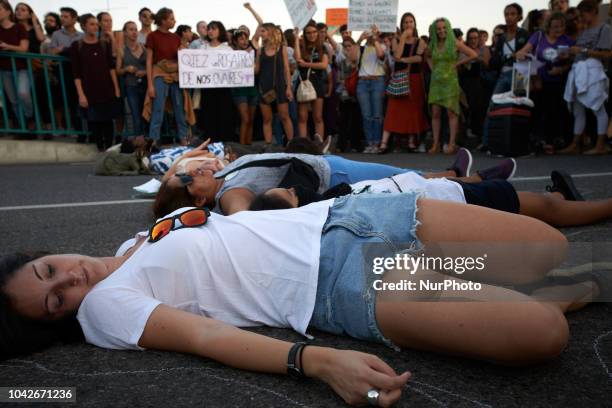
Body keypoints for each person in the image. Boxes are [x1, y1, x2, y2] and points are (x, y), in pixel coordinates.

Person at [2, 191, 609, 406]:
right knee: (540, 335)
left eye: (49, 270)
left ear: (46, 252)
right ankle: (535, 296)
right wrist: (312, 361)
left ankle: (517, 286)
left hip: (346, 216)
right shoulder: (106, 309)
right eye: (57, 301)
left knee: (547, 246)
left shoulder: (134, 239)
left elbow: (224, 224)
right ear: (64, 320)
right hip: (343, 283)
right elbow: (206, 337)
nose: (69, 280)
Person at [152, 147, 517, 217]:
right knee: (398, 179)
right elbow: (243, 216)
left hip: (325, 163)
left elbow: (172, 175)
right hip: (330, 175)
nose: (190, 171)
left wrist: (177, 175)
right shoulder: (230, 195)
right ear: (197, 201)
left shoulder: (220, 175)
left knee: (398, 174)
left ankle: (457, 176)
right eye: (186, 179)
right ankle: (474, 180)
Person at [516, 12, 574, 154]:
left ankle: (554, 141)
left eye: (561, 26)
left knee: (557, 111)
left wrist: (561, 68)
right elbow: (523, 51)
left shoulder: (567, 40)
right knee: (538, 111)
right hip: (539, 81)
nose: (558, 30)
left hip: (559, 81)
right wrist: (521, 54)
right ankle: (539, 141)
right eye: (555, 27)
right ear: (548, 26)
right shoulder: (538, 36)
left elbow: (573, 61)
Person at [561, 0, 612, 155]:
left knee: (598, 107)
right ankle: (575, 143)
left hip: (593, 71)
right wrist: (568, 53)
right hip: (577, 71)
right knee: (578, 109)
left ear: (593, 12)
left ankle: (600, 145)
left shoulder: (605, 28)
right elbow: (578, 52)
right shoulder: (582, 31)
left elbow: (607, 53)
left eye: (583, 14)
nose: (581, 18)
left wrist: (581, 50)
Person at [426, 18, 478, 155]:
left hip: (450, 81)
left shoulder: (454, 43)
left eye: (444, 28)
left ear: (448, 28)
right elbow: (427, 56)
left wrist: (457, 64)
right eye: (438, 29)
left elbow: (473, 54)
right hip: (436, 82)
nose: (441, 30)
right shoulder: (433, 44)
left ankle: (451, 144)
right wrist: (433, 68)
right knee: (435, 113)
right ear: (435, 31)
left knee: (451, 113)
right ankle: (436, 144)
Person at [70, 14, 121, 151]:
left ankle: (110, 149)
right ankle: (100, 149)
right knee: (95, 122)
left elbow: (111, 68)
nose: (95, 26)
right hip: (89, 90)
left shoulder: (104, 44)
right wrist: (81, 94)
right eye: (91, 24)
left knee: (108, 121)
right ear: (83, 26)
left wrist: (116, 88)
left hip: (107, 88)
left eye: (96, 24)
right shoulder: (77, 46)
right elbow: (76, 73)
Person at [380, 13, 429, 153]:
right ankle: (384, 143)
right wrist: (402, 38)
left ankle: (411, 142)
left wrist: (404, 60)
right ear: (402, 25)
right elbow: (396, 55)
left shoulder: (420, 41)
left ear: (415, 24)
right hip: (398, 79)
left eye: (411, 22)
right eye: (406, 22)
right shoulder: (396, 39)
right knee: (393, 110)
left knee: (413, 110)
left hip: (414, 79)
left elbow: (418, 59)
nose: (408, 25)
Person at [145, 7, 190, 146]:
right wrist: (150, 85)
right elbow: (149, 61)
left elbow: (182, 58)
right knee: (158, 108)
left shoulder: (176, 38)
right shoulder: (152, 36)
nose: (174, 21)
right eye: (171, 18)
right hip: (159, 75)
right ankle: (154, 139)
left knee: (179, 107)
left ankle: (183, 137)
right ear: (163, 21)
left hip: (175, 76)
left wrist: (184, 51)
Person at [255, 23, 294, 144]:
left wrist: (288, 88)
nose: (261, 34)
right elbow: (257, 70)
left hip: (280, 86)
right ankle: (268, 147)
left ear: (270, 32)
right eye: (260, 31)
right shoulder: (260, 50)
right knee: (267, 119)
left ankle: (291, 144)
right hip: (264, 87)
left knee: (284, 117)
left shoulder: (281, 49)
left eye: (263, 31)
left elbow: (287, 69)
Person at [354, 25, 386, 153]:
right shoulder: (361, 47)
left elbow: (380, 55)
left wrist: (375, 38)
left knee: (377, 114)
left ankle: (377, 142)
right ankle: (369, 142)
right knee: (366, 115)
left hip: (377, 80)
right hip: (363, 82)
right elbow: (352, 58)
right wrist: (359, 40)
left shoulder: (382, 46)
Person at [0, 0, 32, 127]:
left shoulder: (19, 27)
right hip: (3, 69)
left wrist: (7, 46)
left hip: (21, 68)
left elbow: (24, 48)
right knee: (13, 100)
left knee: (23, 93)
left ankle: (29, 118)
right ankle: (22, 125)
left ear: (8, 12)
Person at [295, 22, 329, 141]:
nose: (312, 35)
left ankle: (319, 145)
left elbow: (324, 65)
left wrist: (307, 64)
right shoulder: (301, 45)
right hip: (303, 82)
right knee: (302, 117)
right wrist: (295, 39)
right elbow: (297, 59)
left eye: (314, 32)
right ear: (304, 34)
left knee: (318, 117)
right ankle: (303, 146)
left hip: (317, 83)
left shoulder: (322, 47)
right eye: (308, 33)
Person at [459, 28, 491, 142]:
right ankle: (465, 133)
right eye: (471, 38)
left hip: (480, 83)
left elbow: (487, 64)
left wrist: (476, 57)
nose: (473, 40)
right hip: (465, 83)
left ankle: (477, 133)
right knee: (465, 108)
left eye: (476, 38)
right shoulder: (463, 50)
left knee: (479, 109)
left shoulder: (483, 49)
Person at [117, 21, 147, 136]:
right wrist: (126, 69)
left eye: (135, 29)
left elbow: (151, 66)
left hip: (146, 85)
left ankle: (149, 141)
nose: (134, 32)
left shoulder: (144, 47)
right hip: (131, 86)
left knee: (147, 114)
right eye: (130, 29)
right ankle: (139, 143)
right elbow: (118, 70)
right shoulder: (121, 50)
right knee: (136, 116)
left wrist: (144, 72)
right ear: (125, 32)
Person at [231, 29, 258, 145]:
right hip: (239, 90)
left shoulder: (253, 52)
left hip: (252, 88)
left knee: (251, 120)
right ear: (236, 42)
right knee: (245, 119)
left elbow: (256, 71)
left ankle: (248, 145)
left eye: (246, 38)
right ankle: (242, 146)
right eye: (241, 39)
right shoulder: (231, 54)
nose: (245, 41)